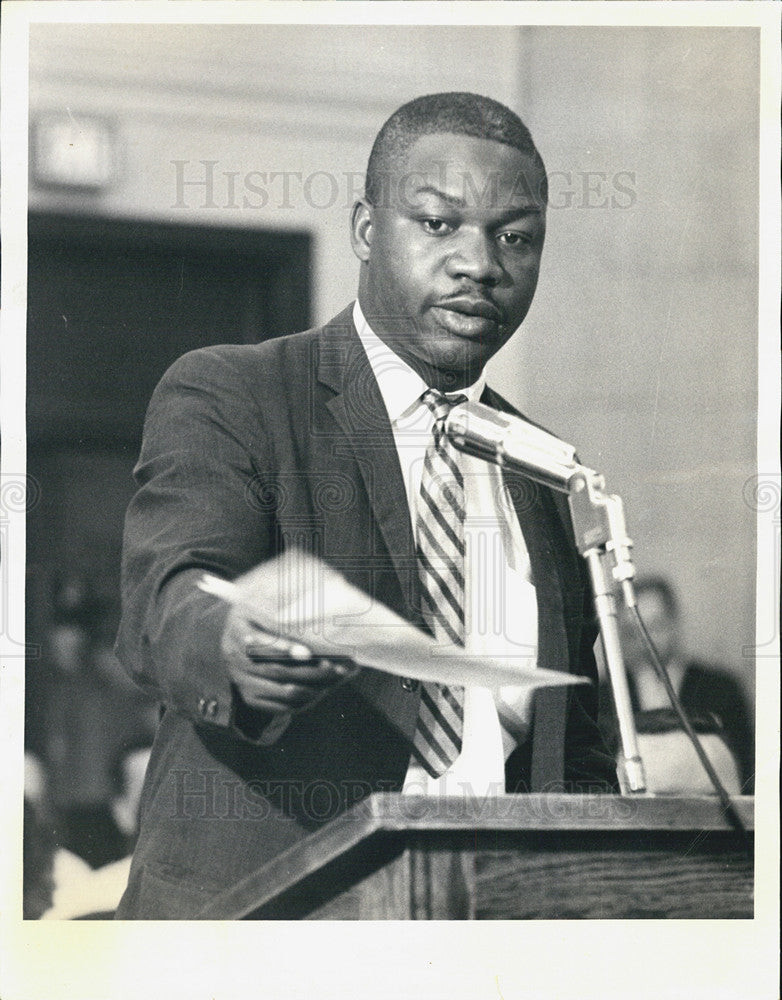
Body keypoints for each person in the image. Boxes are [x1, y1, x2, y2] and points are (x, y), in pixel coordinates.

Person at [114, 92, 616, 920]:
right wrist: (231, 640)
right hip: (270, 928)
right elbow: (168, 596)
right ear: (365, 229)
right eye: (438, 224)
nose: (480, 264)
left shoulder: (549, 471)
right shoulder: (237, 394)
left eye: (515, 238)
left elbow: (571, 741)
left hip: (489, 934)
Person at [613, 576, 754, 794]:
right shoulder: (607, 694)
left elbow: (745, 771)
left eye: (655, 626)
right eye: (633, 631)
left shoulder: (722, 689)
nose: (645, 639)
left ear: (674, 622)